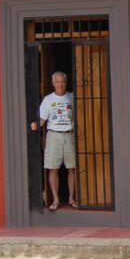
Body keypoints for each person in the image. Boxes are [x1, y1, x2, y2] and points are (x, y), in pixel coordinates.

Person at [30, 71, 77, 211]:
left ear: (65, 83)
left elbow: (81, 114)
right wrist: (36, 124)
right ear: (53, 84)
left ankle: (71, 198)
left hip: (69, 134)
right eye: (57, 82)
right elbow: (42, 118)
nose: (60, 84)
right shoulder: (48, 100)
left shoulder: (72, 97)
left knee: (72, 168)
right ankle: (56, 199)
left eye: (62, 81)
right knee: (53, 168)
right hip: (54, 135)